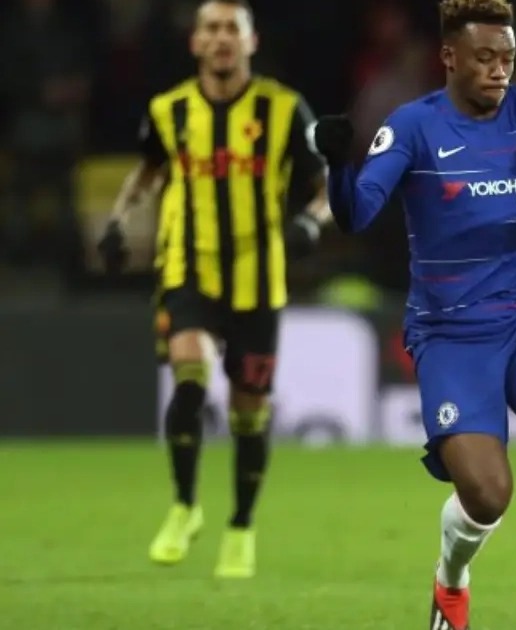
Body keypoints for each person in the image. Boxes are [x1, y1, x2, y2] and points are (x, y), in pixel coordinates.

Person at [310, 1, 516, 629]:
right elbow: (358, 213)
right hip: (449, 333)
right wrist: (340, 166)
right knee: (488, 495)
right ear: (449, 57)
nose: (500, 70)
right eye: (485, 58)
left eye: (508, 58)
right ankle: (451, 577)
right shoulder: (414, 126)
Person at [97, 0, 331, 578]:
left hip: (257, 279)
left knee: (249, 411)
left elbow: (325, 185)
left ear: (251, 42)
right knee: (190, 372)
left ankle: (241, 526)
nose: (222, 38)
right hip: (188, 269)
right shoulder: (169, 110)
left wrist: (311, 221)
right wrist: (119, 221)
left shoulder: (283, 109)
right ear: (195, 42)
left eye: (233, 29)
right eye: (212, 28)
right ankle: (184, 506)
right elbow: (148, 171)